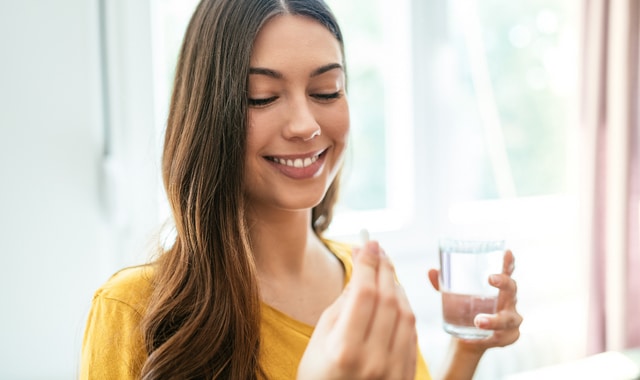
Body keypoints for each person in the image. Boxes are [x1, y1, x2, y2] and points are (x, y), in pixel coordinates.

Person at [80, 0, 522, 379]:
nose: (305, 126)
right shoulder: (134, 312)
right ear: (209, 115)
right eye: (263, 96)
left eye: (326, 91)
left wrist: (467, 350)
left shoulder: (366, 280)